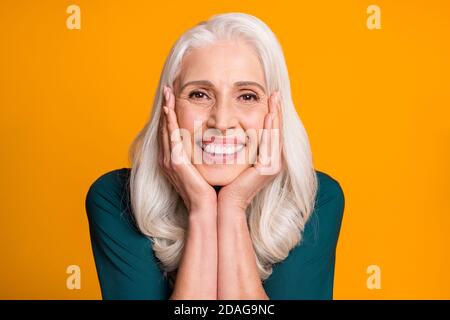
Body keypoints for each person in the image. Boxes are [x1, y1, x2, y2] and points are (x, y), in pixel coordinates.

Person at [85, 12, 345, 300]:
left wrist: (233, 206)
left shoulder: (315, 199)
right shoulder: (115, 198)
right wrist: (202, 208)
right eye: (199, 94)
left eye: (247, 96)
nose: (221, 122)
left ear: (276, 111)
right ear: (168, 105)